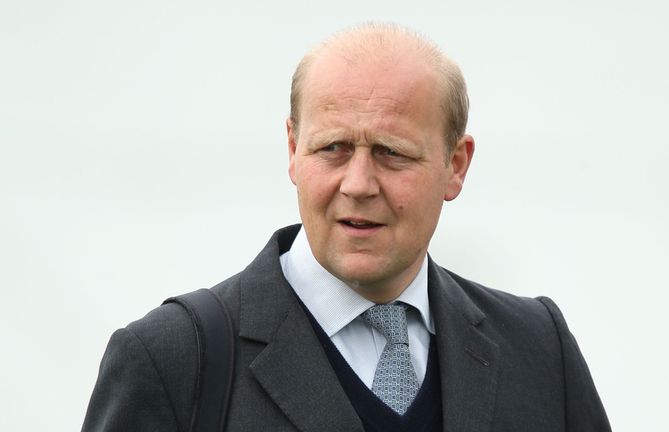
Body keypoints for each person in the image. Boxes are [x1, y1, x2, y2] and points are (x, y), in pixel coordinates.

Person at [82, 23, 611, 432]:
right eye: (332, 148)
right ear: (292, 149)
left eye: (391, 153)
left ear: (456, 165)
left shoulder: (539, 351)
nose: (358, 183)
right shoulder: (173, 359)